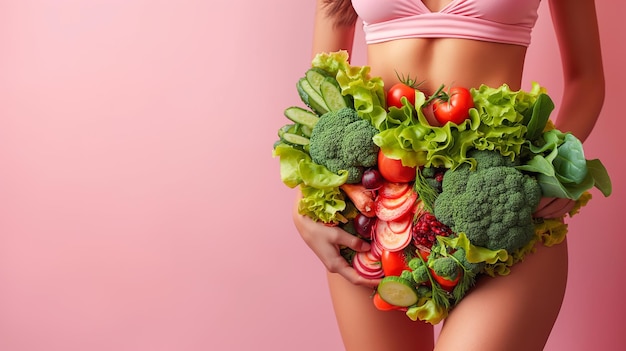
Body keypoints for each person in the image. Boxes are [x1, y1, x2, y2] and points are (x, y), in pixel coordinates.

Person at [292, 0, 605, 350]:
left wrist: (559, 165)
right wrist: (304, 203)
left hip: (497, 197)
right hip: (372, 209)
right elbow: (323, 82)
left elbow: (586, 80)